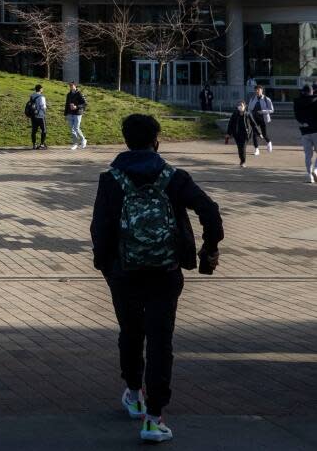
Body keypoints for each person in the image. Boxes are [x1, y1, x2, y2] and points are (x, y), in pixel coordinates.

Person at [90, 113, 223, 444]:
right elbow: (210, 210)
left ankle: (134, 394)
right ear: (156, 140)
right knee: (161, 340)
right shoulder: (173, 178)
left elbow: (100, 228)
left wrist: (106, 266)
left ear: (126, 140)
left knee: (131, 332)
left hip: (124, 272)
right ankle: (154, 418)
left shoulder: (110, 179)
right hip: (165, 272)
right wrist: (209, 250)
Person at [293, 83, 317, 183]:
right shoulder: (315, 101)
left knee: (308, 155)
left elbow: (297, 117)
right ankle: (316, 170)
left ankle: (309, 175)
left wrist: (304, 123)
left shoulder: (297, 102)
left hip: (304, 131)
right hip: (316, 130)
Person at [224, 100, 256, 168]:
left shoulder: (248, 114)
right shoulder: (235, 114)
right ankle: (241, 159)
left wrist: (259, 133)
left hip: (245, 134)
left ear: (245, 106)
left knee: (243, 148)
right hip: (237, 134)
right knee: (239, 148)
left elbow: (254, 124)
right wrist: (228, 133)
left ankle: (243, 162)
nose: (240, 107)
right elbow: (230, 124)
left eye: (241, 105)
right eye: (239, 105)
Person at [248, 85, 274, 153]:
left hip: (263, 118)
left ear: (262, 90)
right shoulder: (253, 98)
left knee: (264, 134)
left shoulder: (266, 99)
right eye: (256, 90)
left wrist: (263, 112)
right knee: (254, 133)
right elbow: (249, 109)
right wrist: (250, 115)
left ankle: (269, 142)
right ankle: (256, 149)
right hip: (254, 119)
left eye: (258, 90)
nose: (257, 91)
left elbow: (272, 110)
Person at [65, 82, 88, 150]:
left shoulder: (79, 93)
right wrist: (66, 114)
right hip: (70, 113)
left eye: (72, 85)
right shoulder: (68, 94)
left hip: (77, 113)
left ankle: (83, 139)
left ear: (75, 86)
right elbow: (66, 104)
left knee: (76, 128)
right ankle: (75, 143)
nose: (71, 87)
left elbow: (85, 103)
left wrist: (76, 106)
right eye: (70, 86)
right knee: (72, 129)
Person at [28, 84, 48, 150]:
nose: (43, 90)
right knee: (44, 130)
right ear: (40, 89)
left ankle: (34, 144)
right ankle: (42, 144)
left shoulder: (32, 96)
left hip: (33, 116)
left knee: (34, 130)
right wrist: (45, 113)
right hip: (40, 116)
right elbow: (43, 107)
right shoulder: (41, 97)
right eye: (42, 88)